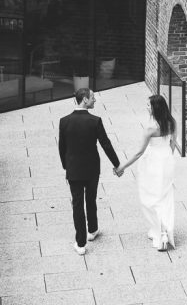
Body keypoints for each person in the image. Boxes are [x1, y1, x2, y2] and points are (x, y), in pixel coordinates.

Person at [58, 87, 121, 255]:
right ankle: (92, 230)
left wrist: (66, 166)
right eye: (92, 97)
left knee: (77, 204)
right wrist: (117, 164)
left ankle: (80, 243)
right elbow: (105, 144)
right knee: (91, 199)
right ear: (84, 99)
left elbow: (62, 148)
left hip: (74, 170)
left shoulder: (64, 121)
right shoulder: (95, 121)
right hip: (92, 168)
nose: (95, 100)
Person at [114, 93, 176, 251]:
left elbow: (139, 152)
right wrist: (167, 159)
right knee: (164, 197)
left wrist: (122, 167)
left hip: (153, 163)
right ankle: (163, 231)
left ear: (155, 108)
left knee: (151, 198)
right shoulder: (172, 122)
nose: (146, 107)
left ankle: (161, 233)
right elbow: (172, 145)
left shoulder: (151, 128)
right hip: (167, 161)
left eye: (148, 105)